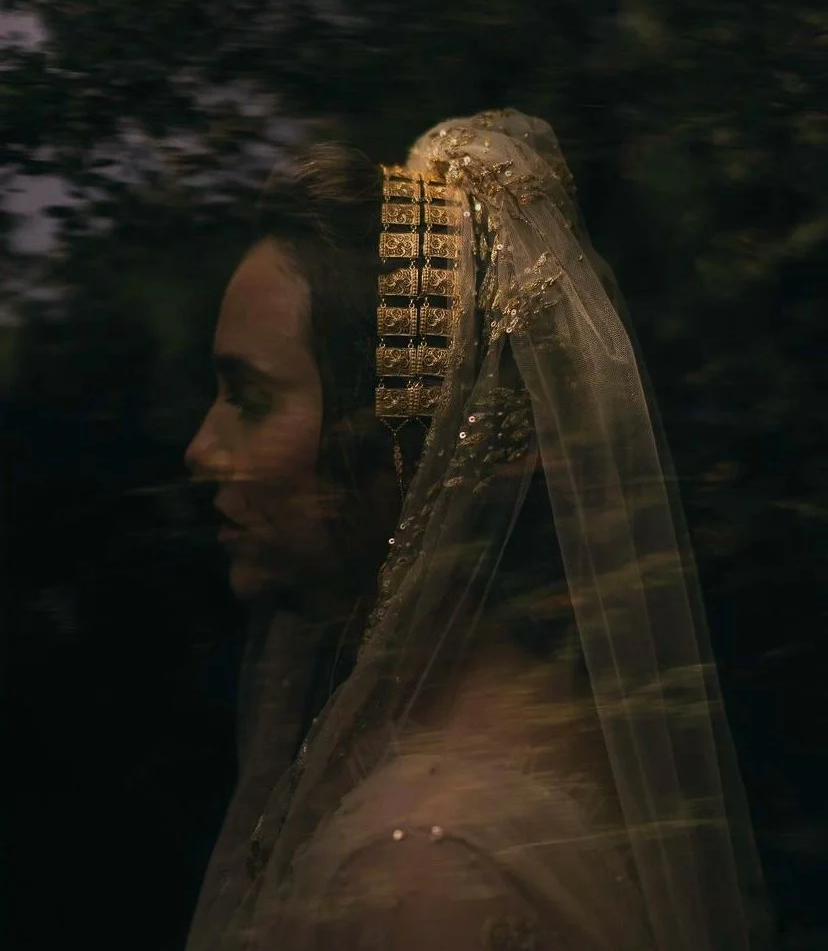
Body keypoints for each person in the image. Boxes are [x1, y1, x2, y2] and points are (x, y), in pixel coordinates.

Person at [184, 111, 770, 950]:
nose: (201, 449)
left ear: (400, 442)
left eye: (250, 398)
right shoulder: (539, 713)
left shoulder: (414, 875)